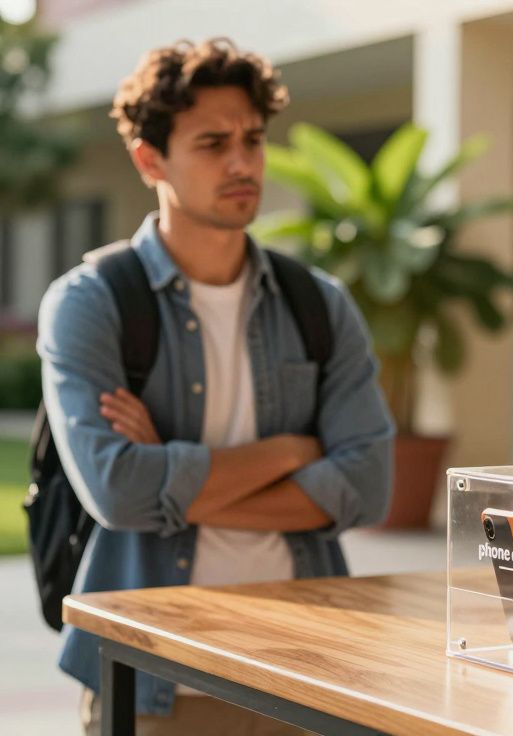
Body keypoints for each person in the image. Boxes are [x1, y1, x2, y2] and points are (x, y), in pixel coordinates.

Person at [36, 39, 394, 733]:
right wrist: (296, 450)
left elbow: (370, 484)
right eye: (211, 143)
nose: (241, 162)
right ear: (150, 160)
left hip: (309, 668)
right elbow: (119, 493)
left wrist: (173, 478)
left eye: (253, 139)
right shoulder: (91, 302)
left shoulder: (319, 305)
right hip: (157, 677)